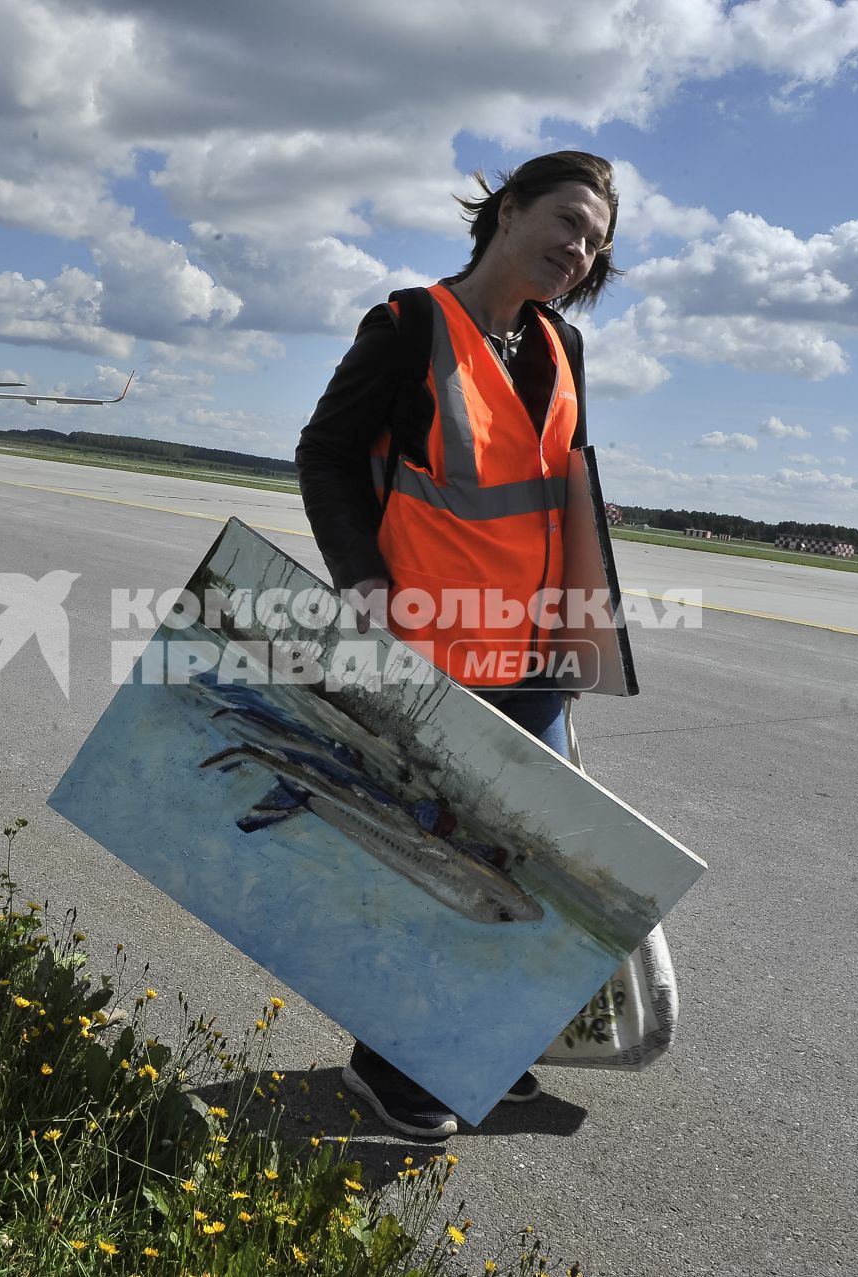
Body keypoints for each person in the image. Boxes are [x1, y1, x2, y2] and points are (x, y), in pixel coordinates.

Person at [294, 150, 620, 1139]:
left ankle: (478, 1038)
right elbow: (326, 452)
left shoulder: (561, 345)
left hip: (531, 660)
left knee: (522, 862)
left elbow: (562, 501)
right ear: (508, 209)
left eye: (596, 240)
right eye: (566, 221)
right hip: (431, 649)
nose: (578, 248)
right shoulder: (411, 325)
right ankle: (391, 1063)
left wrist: (583, 639)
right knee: (433, 859)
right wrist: (361, 579)